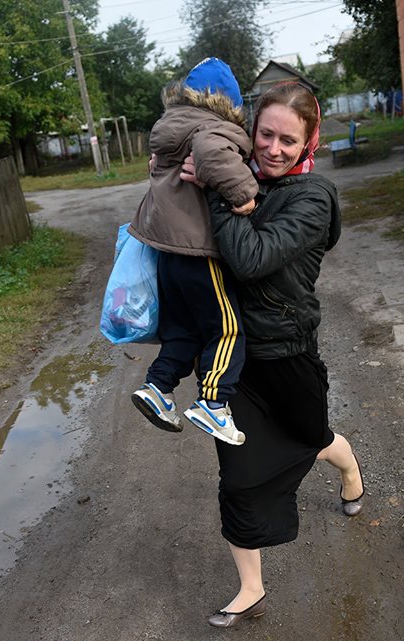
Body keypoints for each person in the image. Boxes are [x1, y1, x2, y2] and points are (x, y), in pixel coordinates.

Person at [179, 81, 365, 628]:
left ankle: (349, 468)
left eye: (289, 140)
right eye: (266, 135)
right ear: (251, 129)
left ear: (309, 143)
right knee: (237, 477)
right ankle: (251, 589)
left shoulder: (313, 197)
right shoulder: (236, 175)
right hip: (230, 357)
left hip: (287, 353)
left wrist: (218, 191)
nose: (274, 149)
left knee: (312, 437)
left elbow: (251, 258)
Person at [128, 57, 258, 446]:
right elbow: (212, 153)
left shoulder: (171, 130)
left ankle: (158, 388)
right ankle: (213, 403)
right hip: (199, 252)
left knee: (184, 330)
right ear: (228, 103)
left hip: (168, 255)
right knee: (228, 328)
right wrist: (245, 196)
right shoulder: (210, 129)